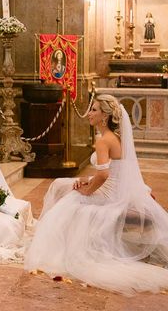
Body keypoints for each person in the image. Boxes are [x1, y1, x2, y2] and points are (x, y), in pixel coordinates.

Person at [24, 94, 168, 295]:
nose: (88, 113)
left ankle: (59, 242)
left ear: (105, 116)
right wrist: (88, 181)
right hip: (115, 191)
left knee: (66, 197)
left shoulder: (103, 140)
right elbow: (112, 173)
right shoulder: (117, 137)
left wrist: (87, 190)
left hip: (107, 196)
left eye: (94, 110)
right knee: (61, 184)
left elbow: (104, 174)